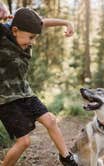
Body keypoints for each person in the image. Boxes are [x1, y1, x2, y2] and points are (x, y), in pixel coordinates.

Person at [0, 2, 77, 166]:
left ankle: (67, 158)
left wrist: (66, 22)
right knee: (24, 142)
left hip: (25, 93)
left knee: (50, 120)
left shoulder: (22, 28)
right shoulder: (2, 33)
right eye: (31, 37)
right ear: (15, 30)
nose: (33, 42)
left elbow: (42, 23)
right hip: (5, 99)